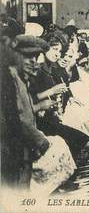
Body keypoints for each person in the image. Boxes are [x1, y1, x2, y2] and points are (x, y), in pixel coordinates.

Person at [1, 34, 50, 189]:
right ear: (16, 56)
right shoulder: (10, 80)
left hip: (23, 151)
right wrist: (40, 141)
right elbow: (18, 118)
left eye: (36, 57)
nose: (34, 62)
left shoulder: (21, 79)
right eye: (28, 57)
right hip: (14, 153)